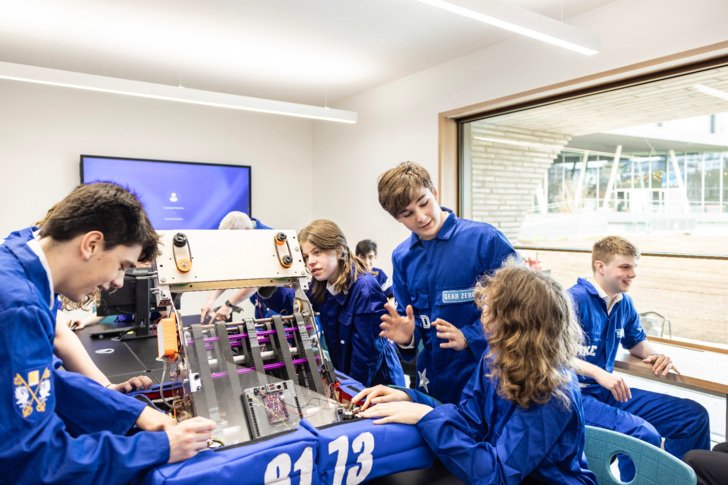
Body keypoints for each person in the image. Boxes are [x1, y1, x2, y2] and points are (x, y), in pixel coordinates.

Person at [0, 182, 215, 483]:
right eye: (121, 266)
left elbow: (46, 379)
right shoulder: (19, 305)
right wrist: (160, 447)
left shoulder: (21, 268)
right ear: (91, 244)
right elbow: (36, 460)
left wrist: (128, 411)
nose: (117, 282)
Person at [353, 265, 597, 485]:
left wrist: (428, 416)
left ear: (516, 323)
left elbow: (498, 475)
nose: (482, 314)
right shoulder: (496, 356)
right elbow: (469, 420)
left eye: (490, 308)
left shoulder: (552, 392)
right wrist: (411, 399)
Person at [569, 235, 710, 479]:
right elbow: (551, 354)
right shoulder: (571, 300)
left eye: (634, 267)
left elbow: (636, 343)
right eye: (625, 267)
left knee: (692, 417)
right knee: (643, 435)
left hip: (608, 393)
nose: (632, 273)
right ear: (600, 267)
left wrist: (657, 355)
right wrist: (598, 373)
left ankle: (676, 480)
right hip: (574, 396)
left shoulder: (623, 302)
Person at [377, 161, 516, 404]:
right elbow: (410, 319)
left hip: (487, 376)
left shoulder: (485, 240)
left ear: (435, 193)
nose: (420, 218)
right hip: (433, 381)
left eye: (424, 203)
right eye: (407, 214)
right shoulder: (402, 257)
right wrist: (407, 338)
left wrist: (470, 337)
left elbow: (521, 307)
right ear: (397, 218)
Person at [260, 219, 404, 387]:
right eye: (306, 257)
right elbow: (292, 302)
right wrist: (267, 282)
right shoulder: (322, 286)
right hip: (348, 376)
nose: (310, 262)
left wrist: (348, 392)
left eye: (317, 252)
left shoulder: (365, 289)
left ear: (339, 250)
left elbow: (367, 357)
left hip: (378, 384)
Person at [200, 210, 273, 322]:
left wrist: (229, 305)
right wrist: (210, 300)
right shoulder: (244, 236)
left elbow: (257, 280)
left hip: (279, 307)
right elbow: (229, 272)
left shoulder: (267, 238)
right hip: (261, 307)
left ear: (247, 231)